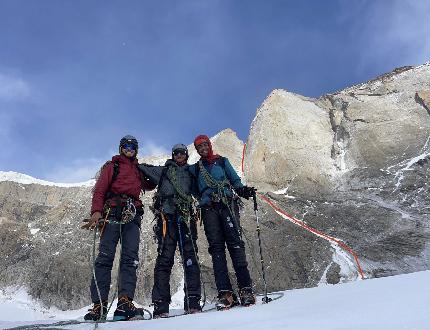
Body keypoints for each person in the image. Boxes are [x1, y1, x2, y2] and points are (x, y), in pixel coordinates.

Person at [81, 135, 155, 321]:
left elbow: (151, 184)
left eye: (132, 146)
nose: (129, 149)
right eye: (126, 146)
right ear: (120, 148)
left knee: (130, 259)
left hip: (132, 215)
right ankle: (99, 306)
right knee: (105, 258)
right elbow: (99, 190)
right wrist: (96, 212)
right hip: (111, 213)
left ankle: (124, 303)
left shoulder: (139, 169)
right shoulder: (111, 167)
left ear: (136, 150)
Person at [190, 135, 256, 310]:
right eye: (199, 147)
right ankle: (225, 293)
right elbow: (194, 189)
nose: (203, 148)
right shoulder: (196, 169)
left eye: (205, 145)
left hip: (227, 204)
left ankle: (245, 289)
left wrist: (242, 190)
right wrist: (205, 198)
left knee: (235, 245)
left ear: (209, 145)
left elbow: (235, 180)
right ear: (197, 150)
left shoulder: (222, 161)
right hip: (209, 209)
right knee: (217, 249)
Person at [139, 144, 201, 318]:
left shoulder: (192, 172)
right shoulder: (164, 171)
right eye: (176, 153)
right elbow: (143, 169)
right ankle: (160, 305)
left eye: (182, 153)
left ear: (186, 155)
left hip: (186, 218)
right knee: (165, 259)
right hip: (167, 218)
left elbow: (200, 187)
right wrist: (132, 163)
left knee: (190, 257)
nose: (179, 155)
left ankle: (193, 300)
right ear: (173, 155)